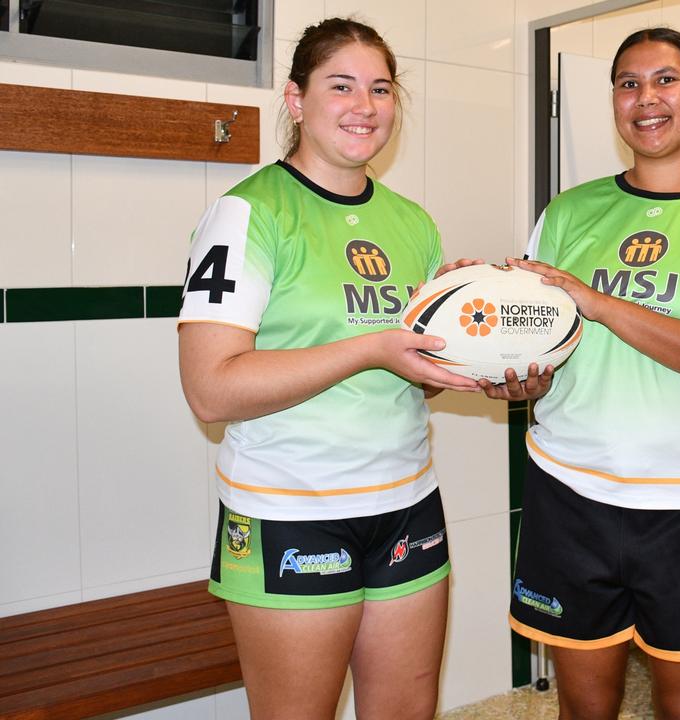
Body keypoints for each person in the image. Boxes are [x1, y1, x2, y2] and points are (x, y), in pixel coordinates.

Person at [485, 27, 680, 720]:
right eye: (628, 83)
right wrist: (513, 373)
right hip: (572, 495)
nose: (645, 98)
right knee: (584, 711)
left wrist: (597, 301)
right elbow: (542, 349)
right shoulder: (568, 213)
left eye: (665, 80)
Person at [177, 18, 478, 720]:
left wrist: (467, 326)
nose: (364, 106)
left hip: (406, 506)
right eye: (340, 86)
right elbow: (210, 388)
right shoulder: (248, 214)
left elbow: (415, 372)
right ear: (295, 98)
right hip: (292, 516)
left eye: (380, 88)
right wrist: (371, 346)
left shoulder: (413, 224)